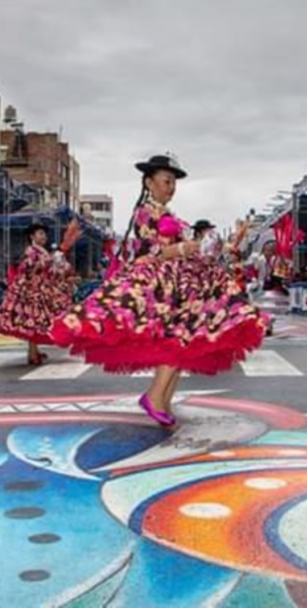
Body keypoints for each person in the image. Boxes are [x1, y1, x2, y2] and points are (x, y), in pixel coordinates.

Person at [51, 154, 267, 427]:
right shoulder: (144, 212)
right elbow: (148, 250)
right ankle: (155, 397)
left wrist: (209, 247)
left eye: (174, 182)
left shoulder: (170, 215)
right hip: (157, 281)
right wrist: (179, 249)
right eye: (166, 181)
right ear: (149, 182)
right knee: (176, 339)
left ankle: (161, 398)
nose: (171, 187)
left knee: (183, 338)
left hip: (178, 280)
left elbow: (188, 244)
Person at [0, 223, 75, 365]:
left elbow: (50, 272)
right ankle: (32, 353)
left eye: (44, 234)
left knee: (37, 321)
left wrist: (60, 268)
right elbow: (27, 267)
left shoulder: (43, 251)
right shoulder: (31, 250)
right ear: (32, 236)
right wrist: (47, 262)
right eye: (40, 234)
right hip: (31, 289)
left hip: (42, 288)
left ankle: (34, 351)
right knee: (32, 320)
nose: (43, 237)